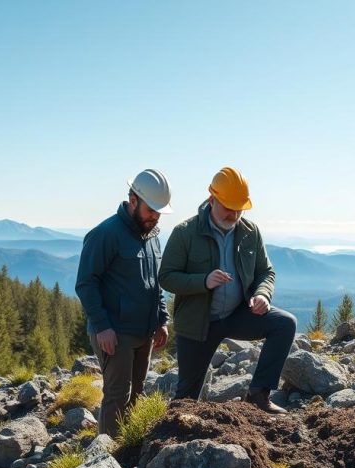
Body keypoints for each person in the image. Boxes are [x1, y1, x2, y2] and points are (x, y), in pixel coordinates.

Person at [158, 166, 297, 414]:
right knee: (186, 399)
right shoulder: (185, 233)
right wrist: (203, 281)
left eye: (239, 208)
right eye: (228, 207)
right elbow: (167, 277)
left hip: (237, 315)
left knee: (285, 324)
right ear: (212, 199)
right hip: (198, 324)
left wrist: (262, 294)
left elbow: (266, 272)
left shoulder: (250, 232)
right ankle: (172, 437)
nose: (234, 214)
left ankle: (258, 396)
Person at [75, 169, 173, 436]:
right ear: (133, 201)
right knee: (117, 395)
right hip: (115, 332)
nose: (155, 217)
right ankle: (104, 460)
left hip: (144, 331)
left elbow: (155, 284)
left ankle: (126, 449)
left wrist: (162, 320)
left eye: (159, 212)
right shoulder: (105, 234)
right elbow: (86, 283)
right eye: (151, 210)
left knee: (137, 393)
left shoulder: (152, 237)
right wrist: (102, 326)